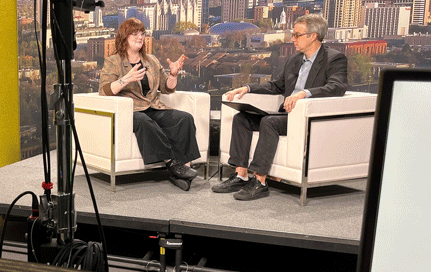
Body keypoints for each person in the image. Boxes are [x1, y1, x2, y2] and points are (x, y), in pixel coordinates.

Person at [212, 14, 348, 201]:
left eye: (297, 35)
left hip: (306, 118)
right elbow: (276, 86)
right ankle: (241, 175)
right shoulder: (295, 60)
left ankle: (259, 181)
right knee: (242, 118)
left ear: (313, 36)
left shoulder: (334, 58)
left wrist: (304, 93)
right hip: (287, 115)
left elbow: (337, 87)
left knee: (269, 122)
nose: (292, 39)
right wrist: (248, 88)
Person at [99, 17, 200, 191]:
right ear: (124, 37)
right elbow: (104, 90)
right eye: (134, 33)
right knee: (144, 122)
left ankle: (185, 168)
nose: (140, 37)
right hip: (131, 111)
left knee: (184, 118)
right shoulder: (113, 61)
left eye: (142, 33)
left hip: (153, 107)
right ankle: (172, 163)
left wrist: (174, 75)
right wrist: (126, 79)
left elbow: (166, 89)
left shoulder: (151, 60)